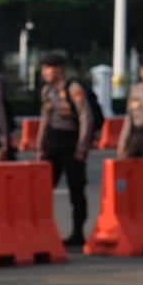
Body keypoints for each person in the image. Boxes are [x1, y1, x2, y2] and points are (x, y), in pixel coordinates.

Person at [36, 53, 97, 247]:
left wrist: (81, 147)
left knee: (76, 189)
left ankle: (77, 232)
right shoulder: (46, 91)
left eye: (49, 68)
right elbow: (45, 118)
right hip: (53, 142)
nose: (46, 72)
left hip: (71, 142)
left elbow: (86, 118)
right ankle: (44, 231)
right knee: (44, 189)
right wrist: (40, 146)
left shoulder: (73, 88)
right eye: (44, 68)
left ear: (60, 68)